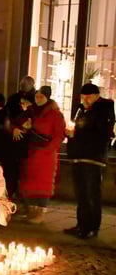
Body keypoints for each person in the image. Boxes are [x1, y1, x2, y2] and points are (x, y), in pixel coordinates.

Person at [66, 83, 115, 239]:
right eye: (83, 96)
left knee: (91, 194)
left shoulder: (104, 111)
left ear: (96, 96)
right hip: (79, 156)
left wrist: (77, 134)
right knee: (81, 194)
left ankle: (92, 227)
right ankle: (82, 225)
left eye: (88, 96)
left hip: (93, 158)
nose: (85, 99)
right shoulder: (82, 109)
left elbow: (101, 134)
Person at [18, 85, 66, 223]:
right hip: (32, 152)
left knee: (43, 184)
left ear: (47, 97)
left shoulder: (55, 114)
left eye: (41, 97)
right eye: (36, 97)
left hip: (45, 154)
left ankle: (40, 212)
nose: (38, 99)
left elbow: (59, 136)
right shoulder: (32, 111)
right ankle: (32, 211)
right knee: (31, 182)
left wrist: (48, 150)